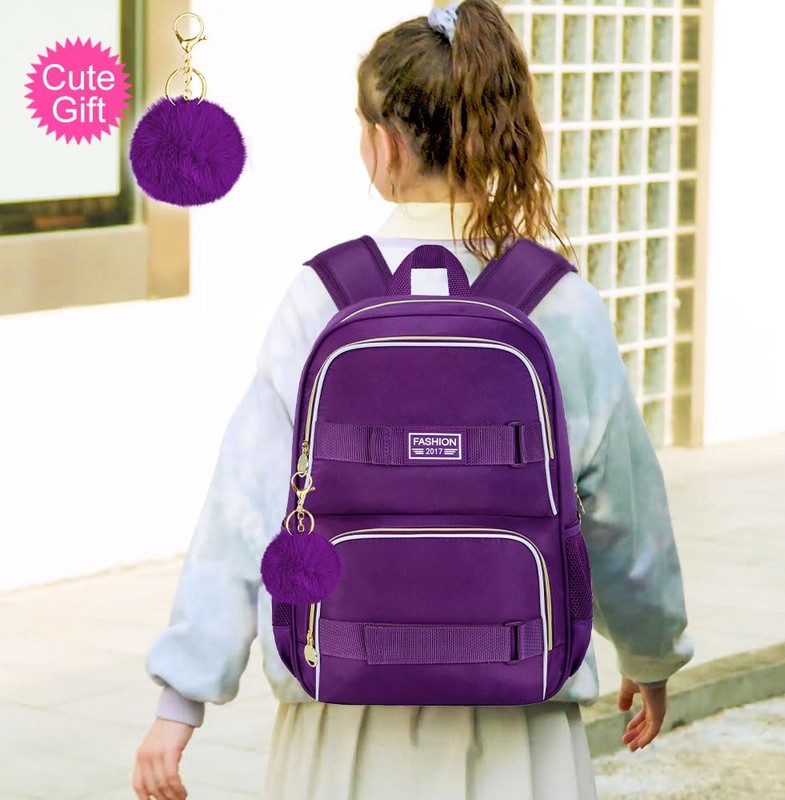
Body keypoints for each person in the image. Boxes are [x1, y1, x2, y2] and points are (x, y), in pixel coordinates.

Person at [132, 2, 694, 798]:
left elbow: (246, 504)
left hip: (346, 714)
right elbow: (623, 512)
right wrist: (651, 653)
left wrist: (183, 695)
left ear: (385, 143)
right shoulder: (558, 301)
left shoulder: (324, 295)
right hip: (519, 713)